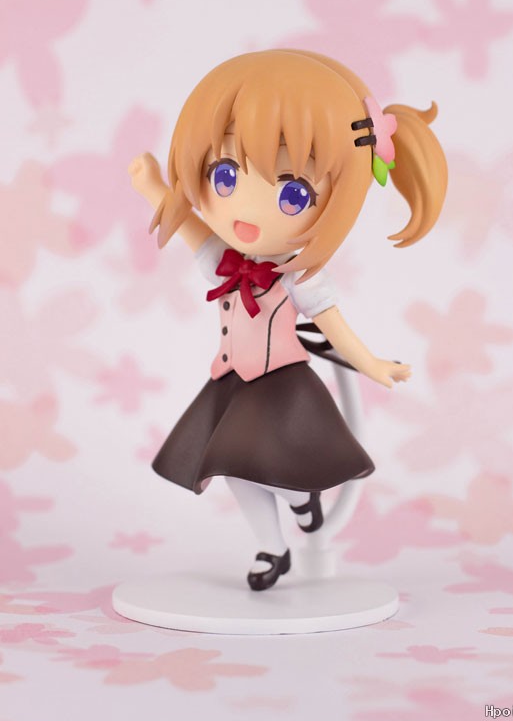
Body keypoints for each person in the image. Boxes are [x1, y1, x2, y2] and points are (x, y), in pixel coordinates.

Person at [129, 49, 447, 591]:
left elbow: (333, 324)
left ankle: (301, 499)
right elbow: (192, 231)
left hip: (281, 388)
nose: (245, 210)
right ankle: (271, 549)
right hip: (230, 383)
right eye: (225, 175)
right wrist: (155, 188)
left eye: (293, 192)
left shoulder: (301, 277)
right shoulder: (226, 259)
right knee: (231, 468)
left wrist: (373, 365)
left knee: (275, 469)